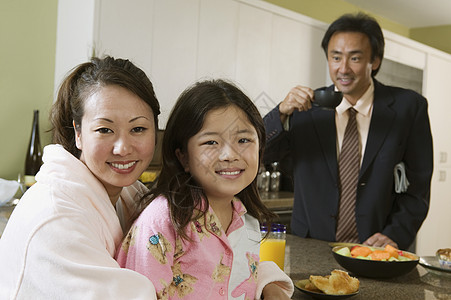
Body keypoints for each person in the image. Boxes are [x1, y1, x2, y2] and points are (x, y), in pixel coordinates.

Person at [263, 12, 433, 250]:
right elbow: (260, 155)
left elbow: (418, 186)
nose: (343, 69)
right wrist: (280, 112)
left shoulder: (408, 107)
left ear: (374, 61)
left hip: (375, 249)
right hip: (311, 246)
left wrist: (396, 233)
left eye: (355, 58)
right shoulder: (305, 108)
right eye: (335, 57)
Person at [115, 79, 294, 299]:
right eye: (211, 142)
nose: (230, 154)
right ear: (183, 157)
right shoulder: (164, 219)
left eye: (244, 139)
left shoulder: (247, 221)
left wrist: (270, 284)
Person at [0, 56, 161, 299]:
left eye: (138, 129)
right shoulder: (57, 216)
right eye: (105, 130)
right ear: (78, 133)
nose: (123, 148)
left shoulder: (130, 194)